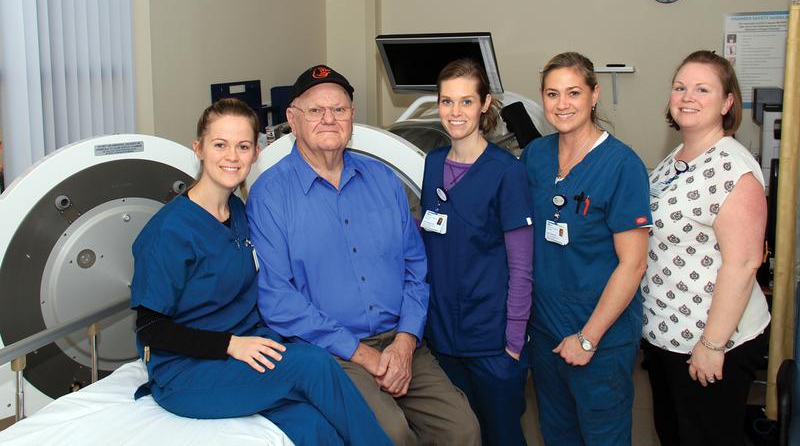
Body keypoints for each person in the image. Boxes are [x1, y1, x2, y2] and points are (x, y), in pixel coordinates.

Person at [130, 98, 392, 446]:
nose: (232, 156)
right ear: (199, 149)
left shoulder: (237, 211)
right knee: (313, 365)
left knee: (317, 428)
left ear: (255, 153)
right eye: (220, 145)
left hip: (249, 352)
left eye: (242, 146)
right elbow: (150, 329)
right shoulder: (169, 231)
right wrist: (231, 344)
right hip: (189, 370)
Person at [247, 65, 480, 446]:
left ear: (352, 116)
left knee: (462, 429)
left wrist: (405, 342)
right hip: (330, 352)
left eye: (339, 110)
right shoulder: (270, 195)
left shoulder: (383, 180)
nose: (329, 119)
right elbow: (278, 299)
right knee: (389, 433)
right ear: (292, 118)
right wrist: (363, 356)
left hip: (401, 341)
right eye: (315, 110)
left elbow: (416, 271)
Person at [520, 52, 651, 446]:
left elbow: (633, 264)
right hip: (545, 331)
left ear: (594, 95)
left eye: (574, 92)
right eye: (553, 94)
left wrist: (589, 338)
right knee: (556, 432)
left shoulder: (622, 165)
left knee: (602, 435)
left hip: (600, 336)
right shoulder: (535, 156)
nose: (563, 104)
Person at [641, 50, 770, 446]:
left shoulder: (734, 169)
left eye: (702, 89)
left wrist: (712, 346)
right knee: (674, 433)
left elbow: (745, 262)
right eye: (680, 87)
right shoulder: (677, 158)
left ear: (728, 101)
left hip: (712, 343)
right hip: (666, 335)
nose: (687, 96)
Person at [419, 58, 533, 446]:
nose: (455, 112)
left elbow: (521, 266)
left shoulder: (506, 172)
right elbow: (430, 246)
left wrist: (514, 342)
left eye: (466, 102)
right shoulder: (432, 164)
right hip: (442, 336)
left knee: (500, 434)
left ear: (484, 104)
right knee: (458, 435)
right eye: (447, 101)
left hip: (491, 338)